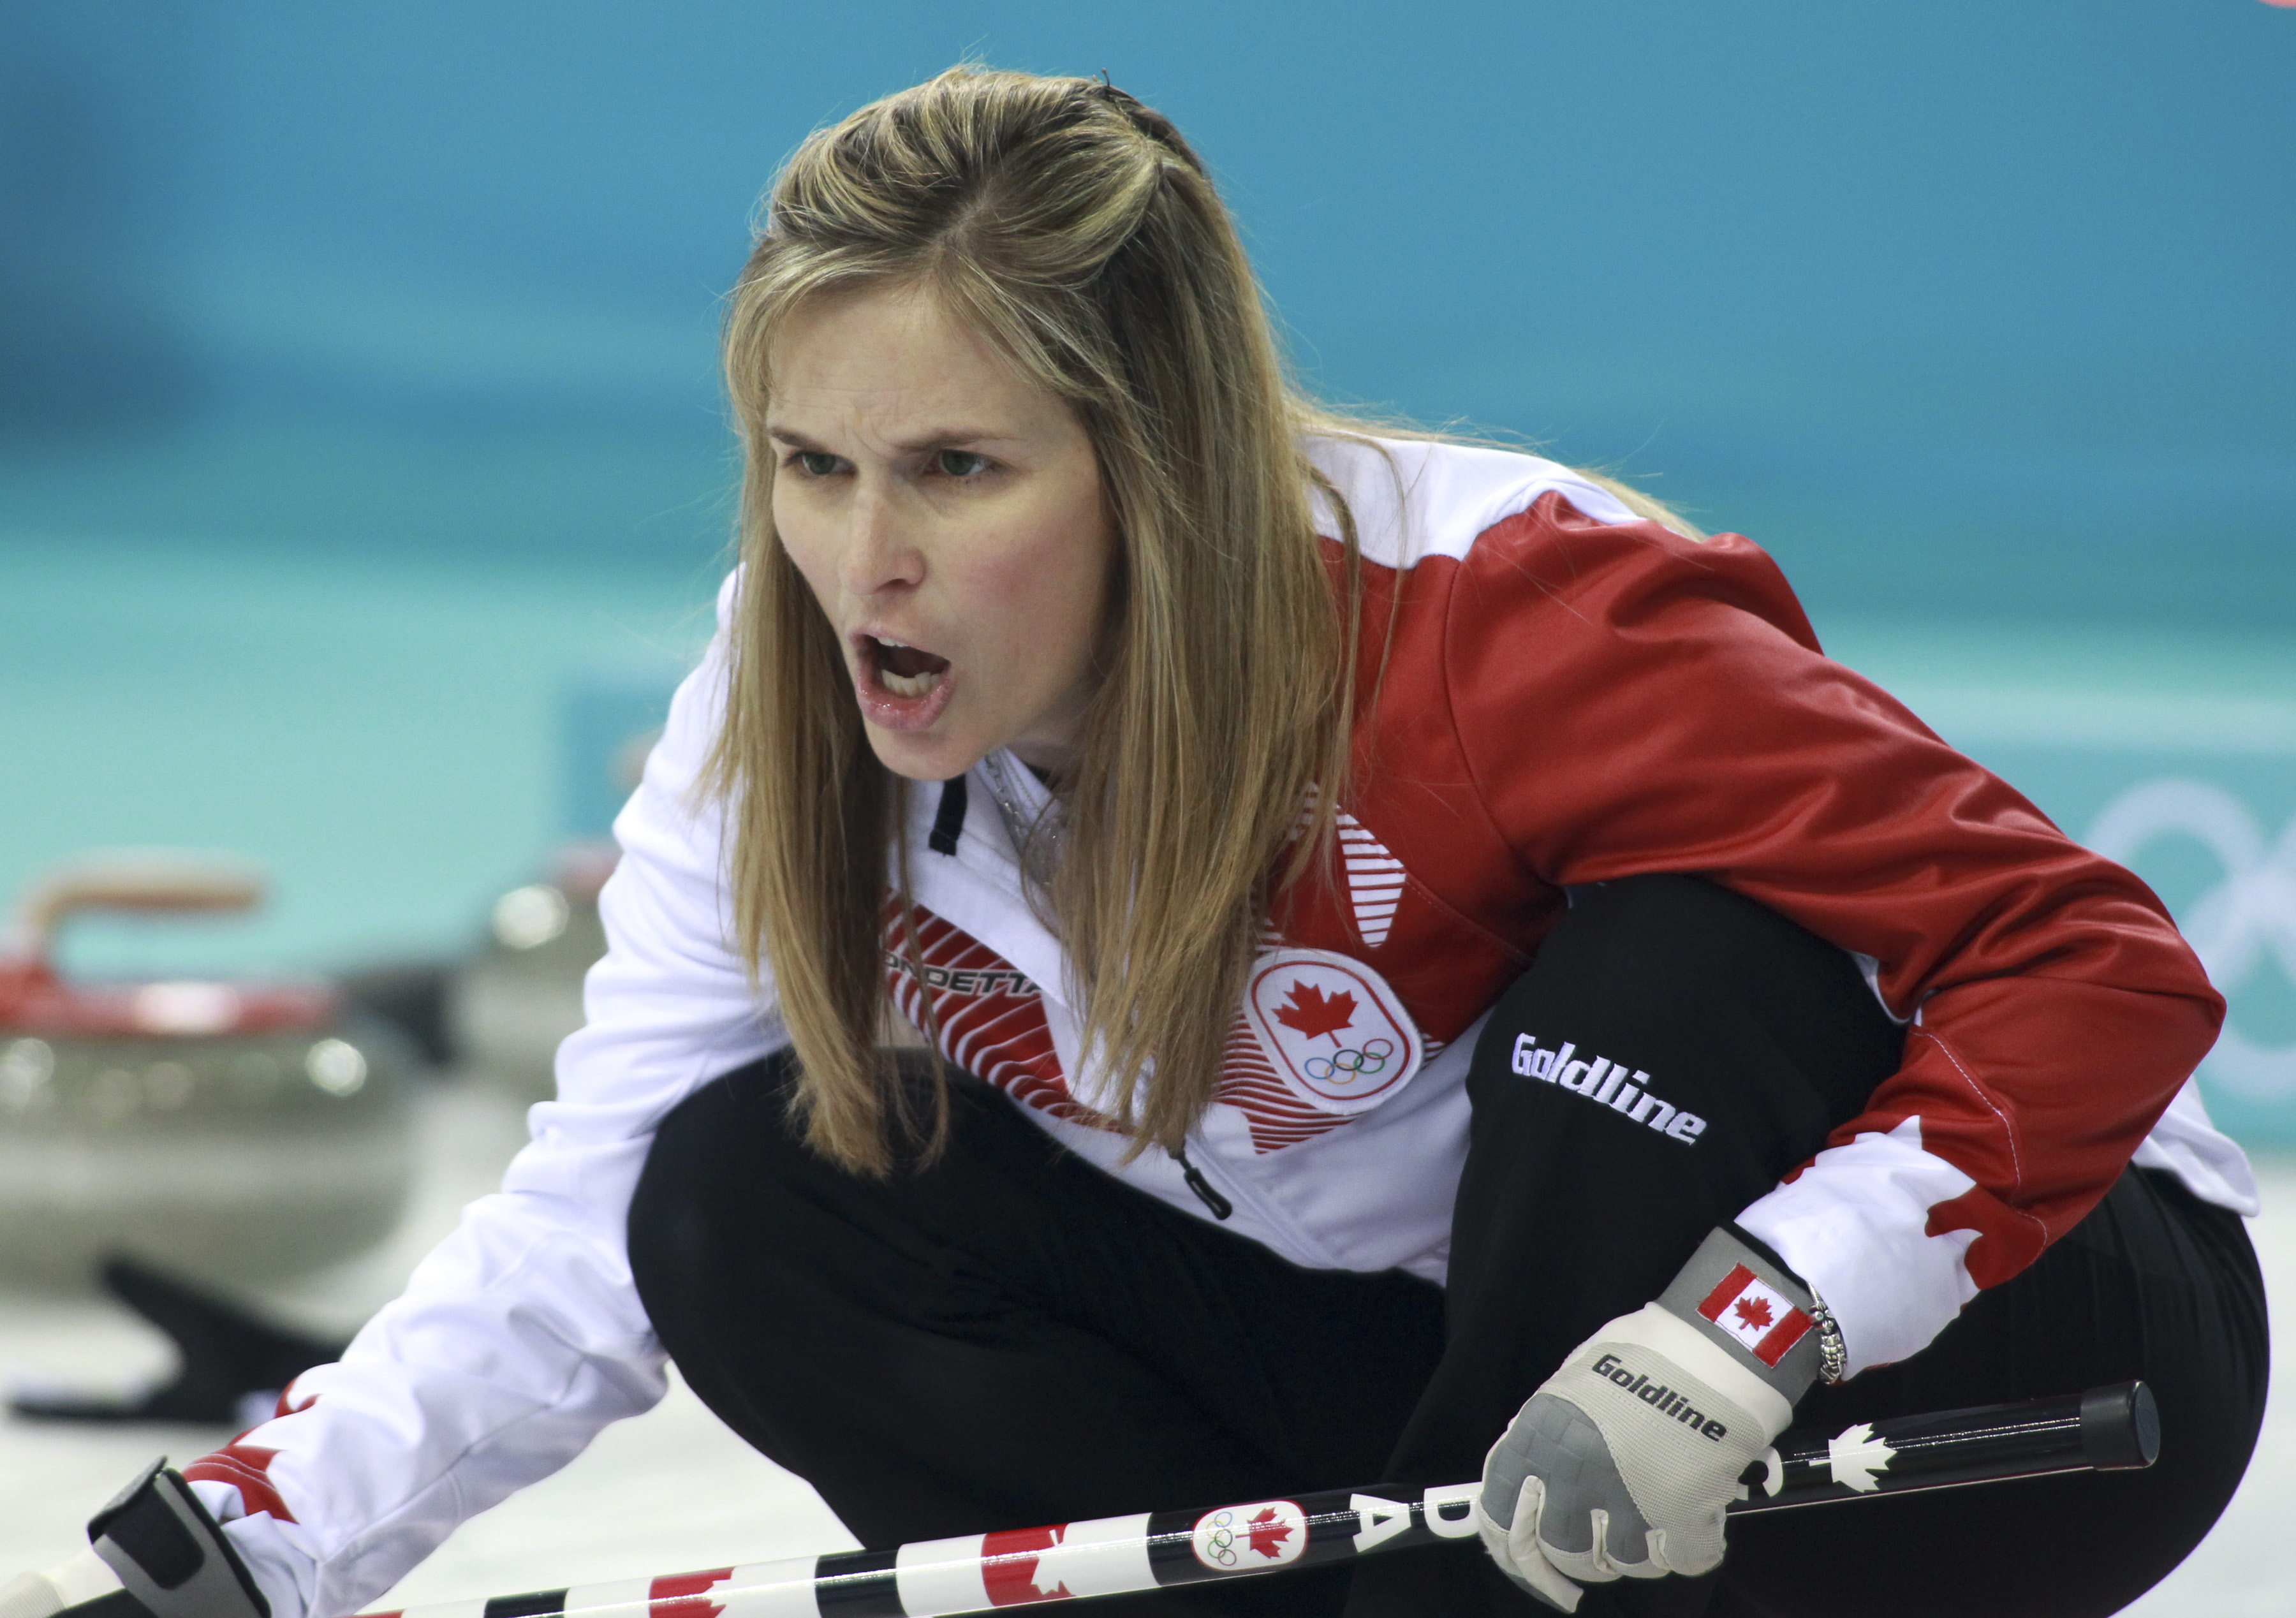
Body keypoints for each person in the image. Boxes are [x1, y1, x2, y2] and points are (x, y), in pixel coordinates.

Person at [10, 66, 2265, 1618]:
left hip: (1988, 1364)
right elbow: (594, 1211)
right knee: (747, 1183)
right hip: (1437, 1409)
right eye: (808, 464)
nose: (860, 560)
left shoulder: (1508, 611)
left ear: (1156, 461)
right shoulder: (789, 684)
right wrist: (258, 1539)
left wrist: (1755, 1324)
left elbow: (2100, 966)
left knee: (1676, 963)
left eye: (959, 473)